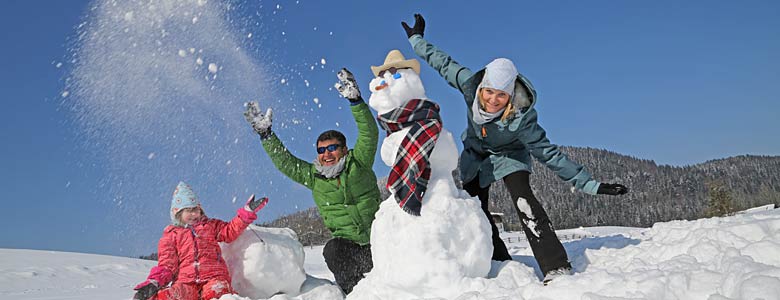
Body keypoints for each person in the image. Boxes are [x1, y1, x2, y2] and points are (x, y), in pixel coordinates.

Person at [400, 14, 629, 283]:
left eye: (501, 95)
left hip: (511, 156)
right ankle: (497, 260)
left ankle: (556, 265)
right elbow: (442, 62)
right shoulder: (468, 85)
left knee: (523, 200)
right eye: (489, 92)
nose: (493, 100)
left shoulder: (522, 118)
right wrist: (416, 40)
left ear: (510, 96)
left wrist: (589, 184)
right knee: (477, 209)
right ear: (482, 86)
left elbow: (549, 153)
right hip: (476, 157)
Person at [243, 68, 379, 294]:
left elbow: (369, 133)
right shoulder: (313, 177)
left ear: (344, 149)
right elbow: (285, 162)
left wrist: (356, 102)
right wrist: (267, 136)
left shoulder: (359, 163)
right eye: (322, 150)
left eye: (332, 148)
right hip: (352, 249)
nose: (327, 154)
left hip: (381, 240)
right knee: (332, 249)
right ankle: (357, 294)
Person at [133, 181, 268, 300]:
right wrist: (154, 282)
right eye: (188, 210)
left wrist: (246, 213)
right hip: (185, 282)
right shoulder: (171, 235)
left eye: (196, 210)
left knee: (219, 293)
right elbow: (167, 265)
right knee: (168, 296)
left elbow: (229, 231)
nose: (194, 214)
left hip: (213, 276)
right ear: (178, 213)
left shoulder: (210, 225)